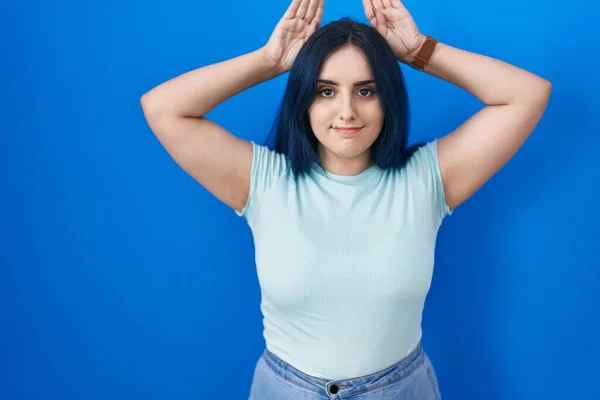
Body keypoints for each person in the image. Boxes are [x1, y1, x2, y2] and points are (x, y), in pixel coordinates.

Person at [140, 0, 551, 398]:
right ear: (304, 98)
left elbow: (527, 95)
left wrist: (418, 51)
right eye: (325, 91)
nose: (347, 111)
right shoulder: (263, 180)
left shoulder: (426, 179)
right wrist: (272, 60)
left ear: (387, 99)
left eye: (366, 91)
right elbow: (162, 107)